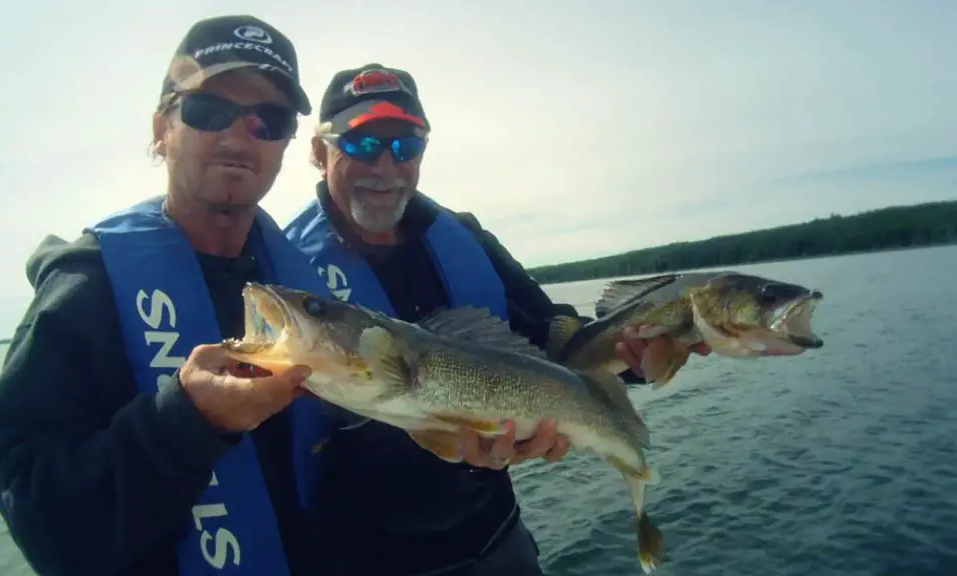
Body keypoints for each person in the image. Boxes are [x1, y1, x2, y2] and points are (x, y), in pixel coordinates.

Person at [284, 64, 711, 576]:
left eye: (405, 146)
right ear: (317, 151)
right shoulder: (285, 271)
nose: (386, 165)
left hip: (498, 537)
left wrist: (643, 355)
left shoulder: (463, 238)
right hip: (369, 559)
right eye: (362, 144)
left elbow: (553, 341)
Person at [0, 15, 336, 576]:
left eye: (269, 119)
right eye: (208, 110)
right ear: (160, 129)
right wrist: (190, 421)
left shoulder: (304, 294)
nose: (240, 134)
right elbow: (38, 515)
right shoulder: (85, 290)